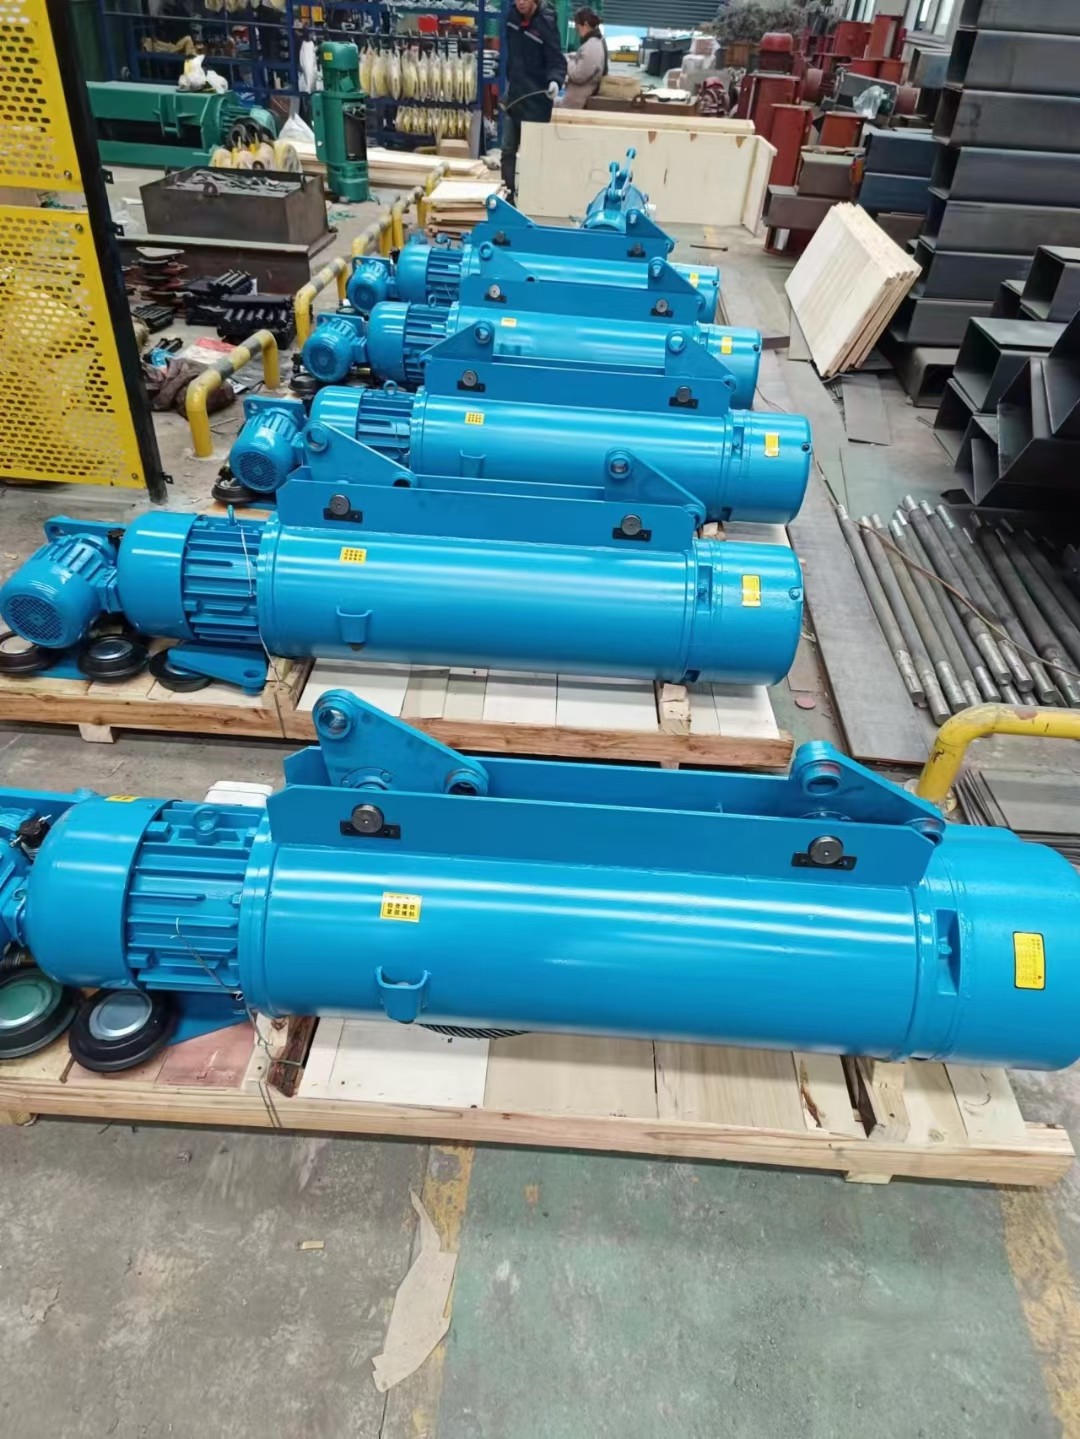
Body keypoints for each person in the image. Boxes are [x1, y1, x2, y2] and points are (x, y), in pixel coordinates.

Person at [501, 0, 566, 203]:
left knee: (532, 155)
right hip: (515, 97)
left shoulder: (546, 22)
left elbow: (556, 59)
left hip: (536, 101)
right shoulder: (512, 17)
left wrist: (555, 80)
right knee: (507, 150)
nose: (520, 2)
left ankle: (530, 201)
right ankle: (507, 197)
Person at [562, 7, 608, 109]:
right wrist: (574, 56)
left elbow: (578, 75)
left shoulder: (592, 46)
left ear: (586, 25)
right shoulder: (595, 42)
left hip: (578, 102)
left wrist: (568, 61)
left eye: (577, 27)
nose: (576, 31)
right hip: (578, 98)